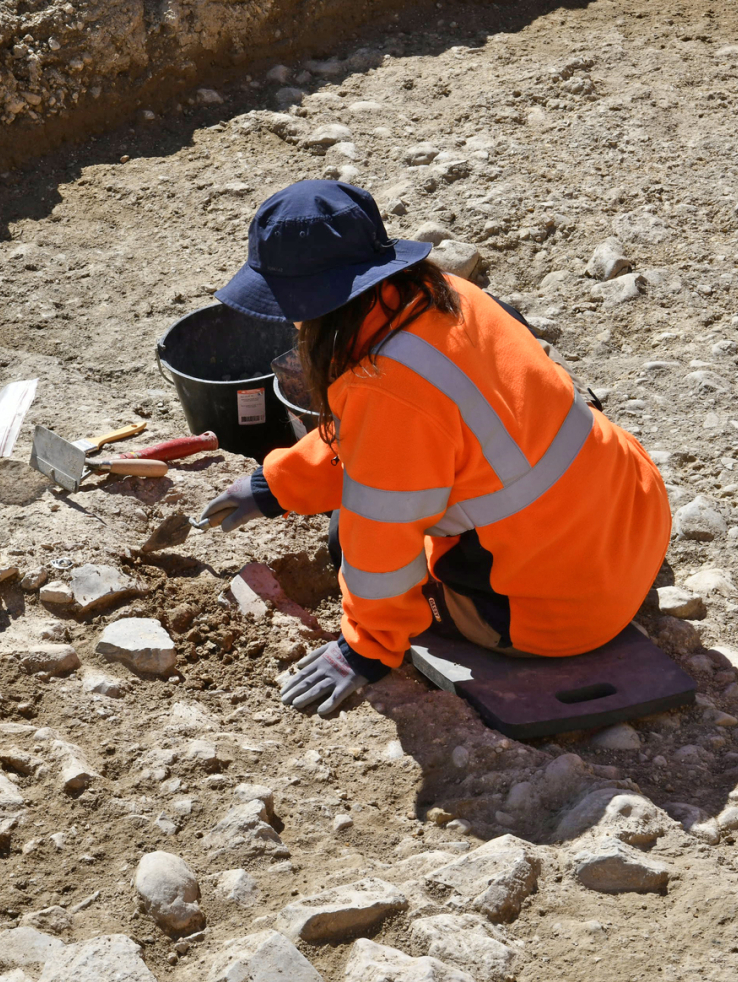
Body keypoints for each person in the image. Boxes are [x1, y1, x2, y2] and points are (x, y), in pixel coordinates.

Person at [200, 180, 671, 715]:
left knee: (346, 536)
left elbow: (381, 535)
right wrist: (276, 484)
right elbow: (389, 438)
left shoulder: (383, 386)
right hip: (634, 522)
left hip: (560, 613)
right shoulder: (444, 293)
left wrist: (365, 650)